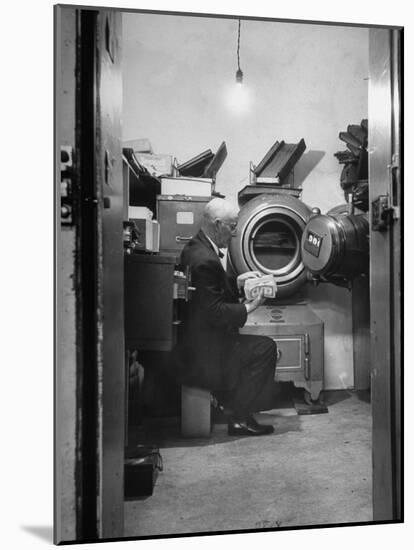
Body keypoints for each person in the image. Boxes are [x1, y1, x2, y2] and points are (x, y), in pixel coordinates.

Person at [175, 197, 277, 436]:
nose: (234, 233)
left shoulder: (197, 247)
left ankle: (234, 406)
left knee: (255, 345)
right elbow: (215, 312)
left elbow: (209, 289)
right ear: (218, 224)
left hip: (199, 342)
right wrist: (252, 306)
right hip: (206, 353)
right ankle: (240, 417)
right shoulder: (205, 260)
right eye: (232, 226)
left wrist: (237, 282)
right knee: (265, 348)